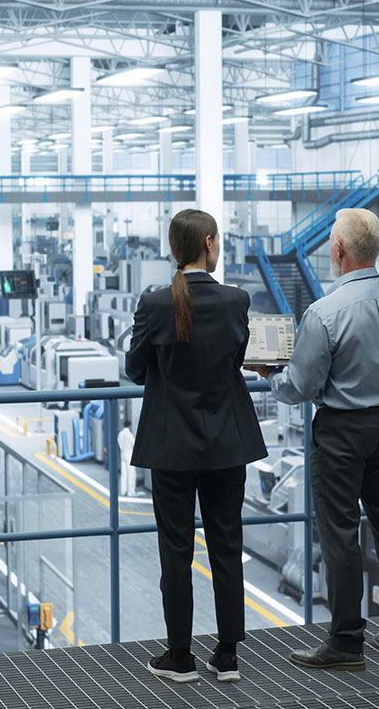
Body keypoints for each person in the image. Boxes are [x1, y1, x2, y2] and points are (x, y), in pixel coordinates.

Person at [251, 207, 379, 671]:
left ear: (340, 249)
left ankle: (347, 642)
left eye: (331, 240)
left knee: (340, 535)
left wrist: (271, 375)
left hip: (343, 434)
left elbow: (300, 387)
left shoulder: (324, 313)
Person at [126, 208, 268, 684]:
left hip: (172, 448)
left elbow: (134, 368)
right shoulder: (236, 300)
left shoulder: (155, 303)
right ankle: (227, 655)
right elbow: (239, 357)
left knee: (176, 551)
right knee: (227, 546)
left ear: (176, 247)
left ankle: (180, 656)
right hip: (227, 444)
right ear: (209, 243)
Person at [117, 420, 138, 496]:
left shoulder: (120, 434)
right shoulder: (129, 434)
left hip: (123, 454)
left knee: (124, 473)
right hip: (129, 454)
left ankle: (123, 491)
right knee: (131, 473)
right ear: (130, 425)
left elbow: (119, 443)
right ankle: (131, 492)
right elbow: (134, 443)